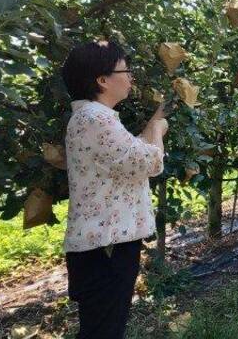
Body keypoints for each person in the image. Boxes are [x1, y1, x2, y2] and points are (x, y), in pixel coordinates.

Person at [61, 40, 168, 339]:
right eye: (126, 69)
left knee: (104, 327)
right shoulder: (94, 119)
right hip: (105, 247)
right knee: (104, 330)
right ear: (102, 80)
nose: (131, 76)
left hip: (104, 243)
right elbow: (149, 162)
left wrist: (155, 120)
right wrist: (159, 130)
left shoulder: (96, 119)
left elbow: (129, 156)